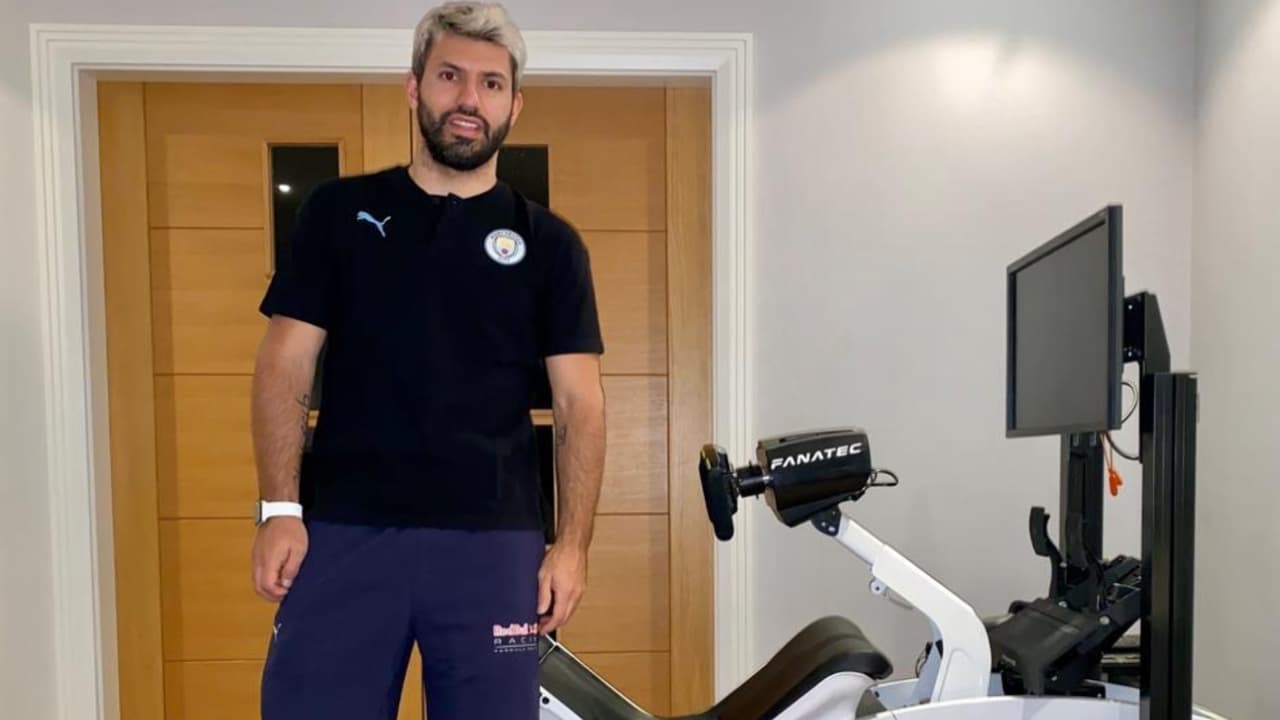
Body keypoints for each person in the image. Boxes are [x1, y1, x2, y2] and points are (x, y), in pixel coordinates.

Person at [248, 2, 607, 718]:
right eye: (450, 76)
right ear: (415, 88)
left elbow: (580, 404)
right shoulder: (337, 214)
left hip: (493, 544)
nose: (470, 99)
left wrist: (571, 547)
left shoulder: (550, 245)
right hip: (346, 531)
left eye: (491, 83)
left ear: (514, 105)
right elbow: (284, 366)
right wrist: (279, 509)